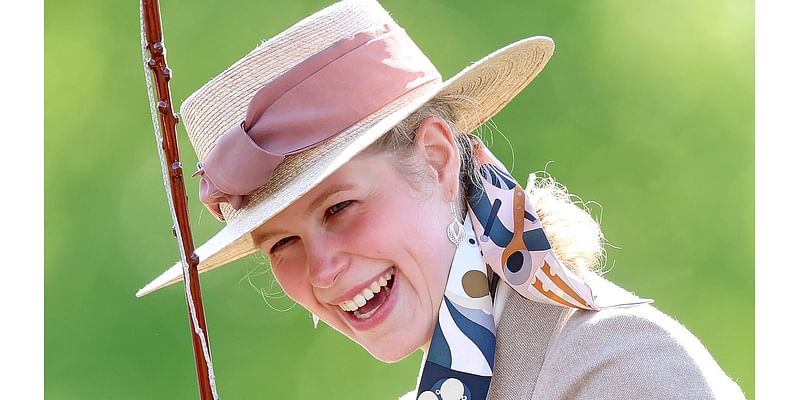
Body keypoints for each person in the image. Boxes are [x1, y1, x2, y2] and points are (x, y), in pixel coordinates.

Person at [138, 0, 746, 398]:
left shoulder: (618, 368)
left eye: (339, 208)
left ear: (436, 159)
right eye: (283, 243)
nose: (322, 270)